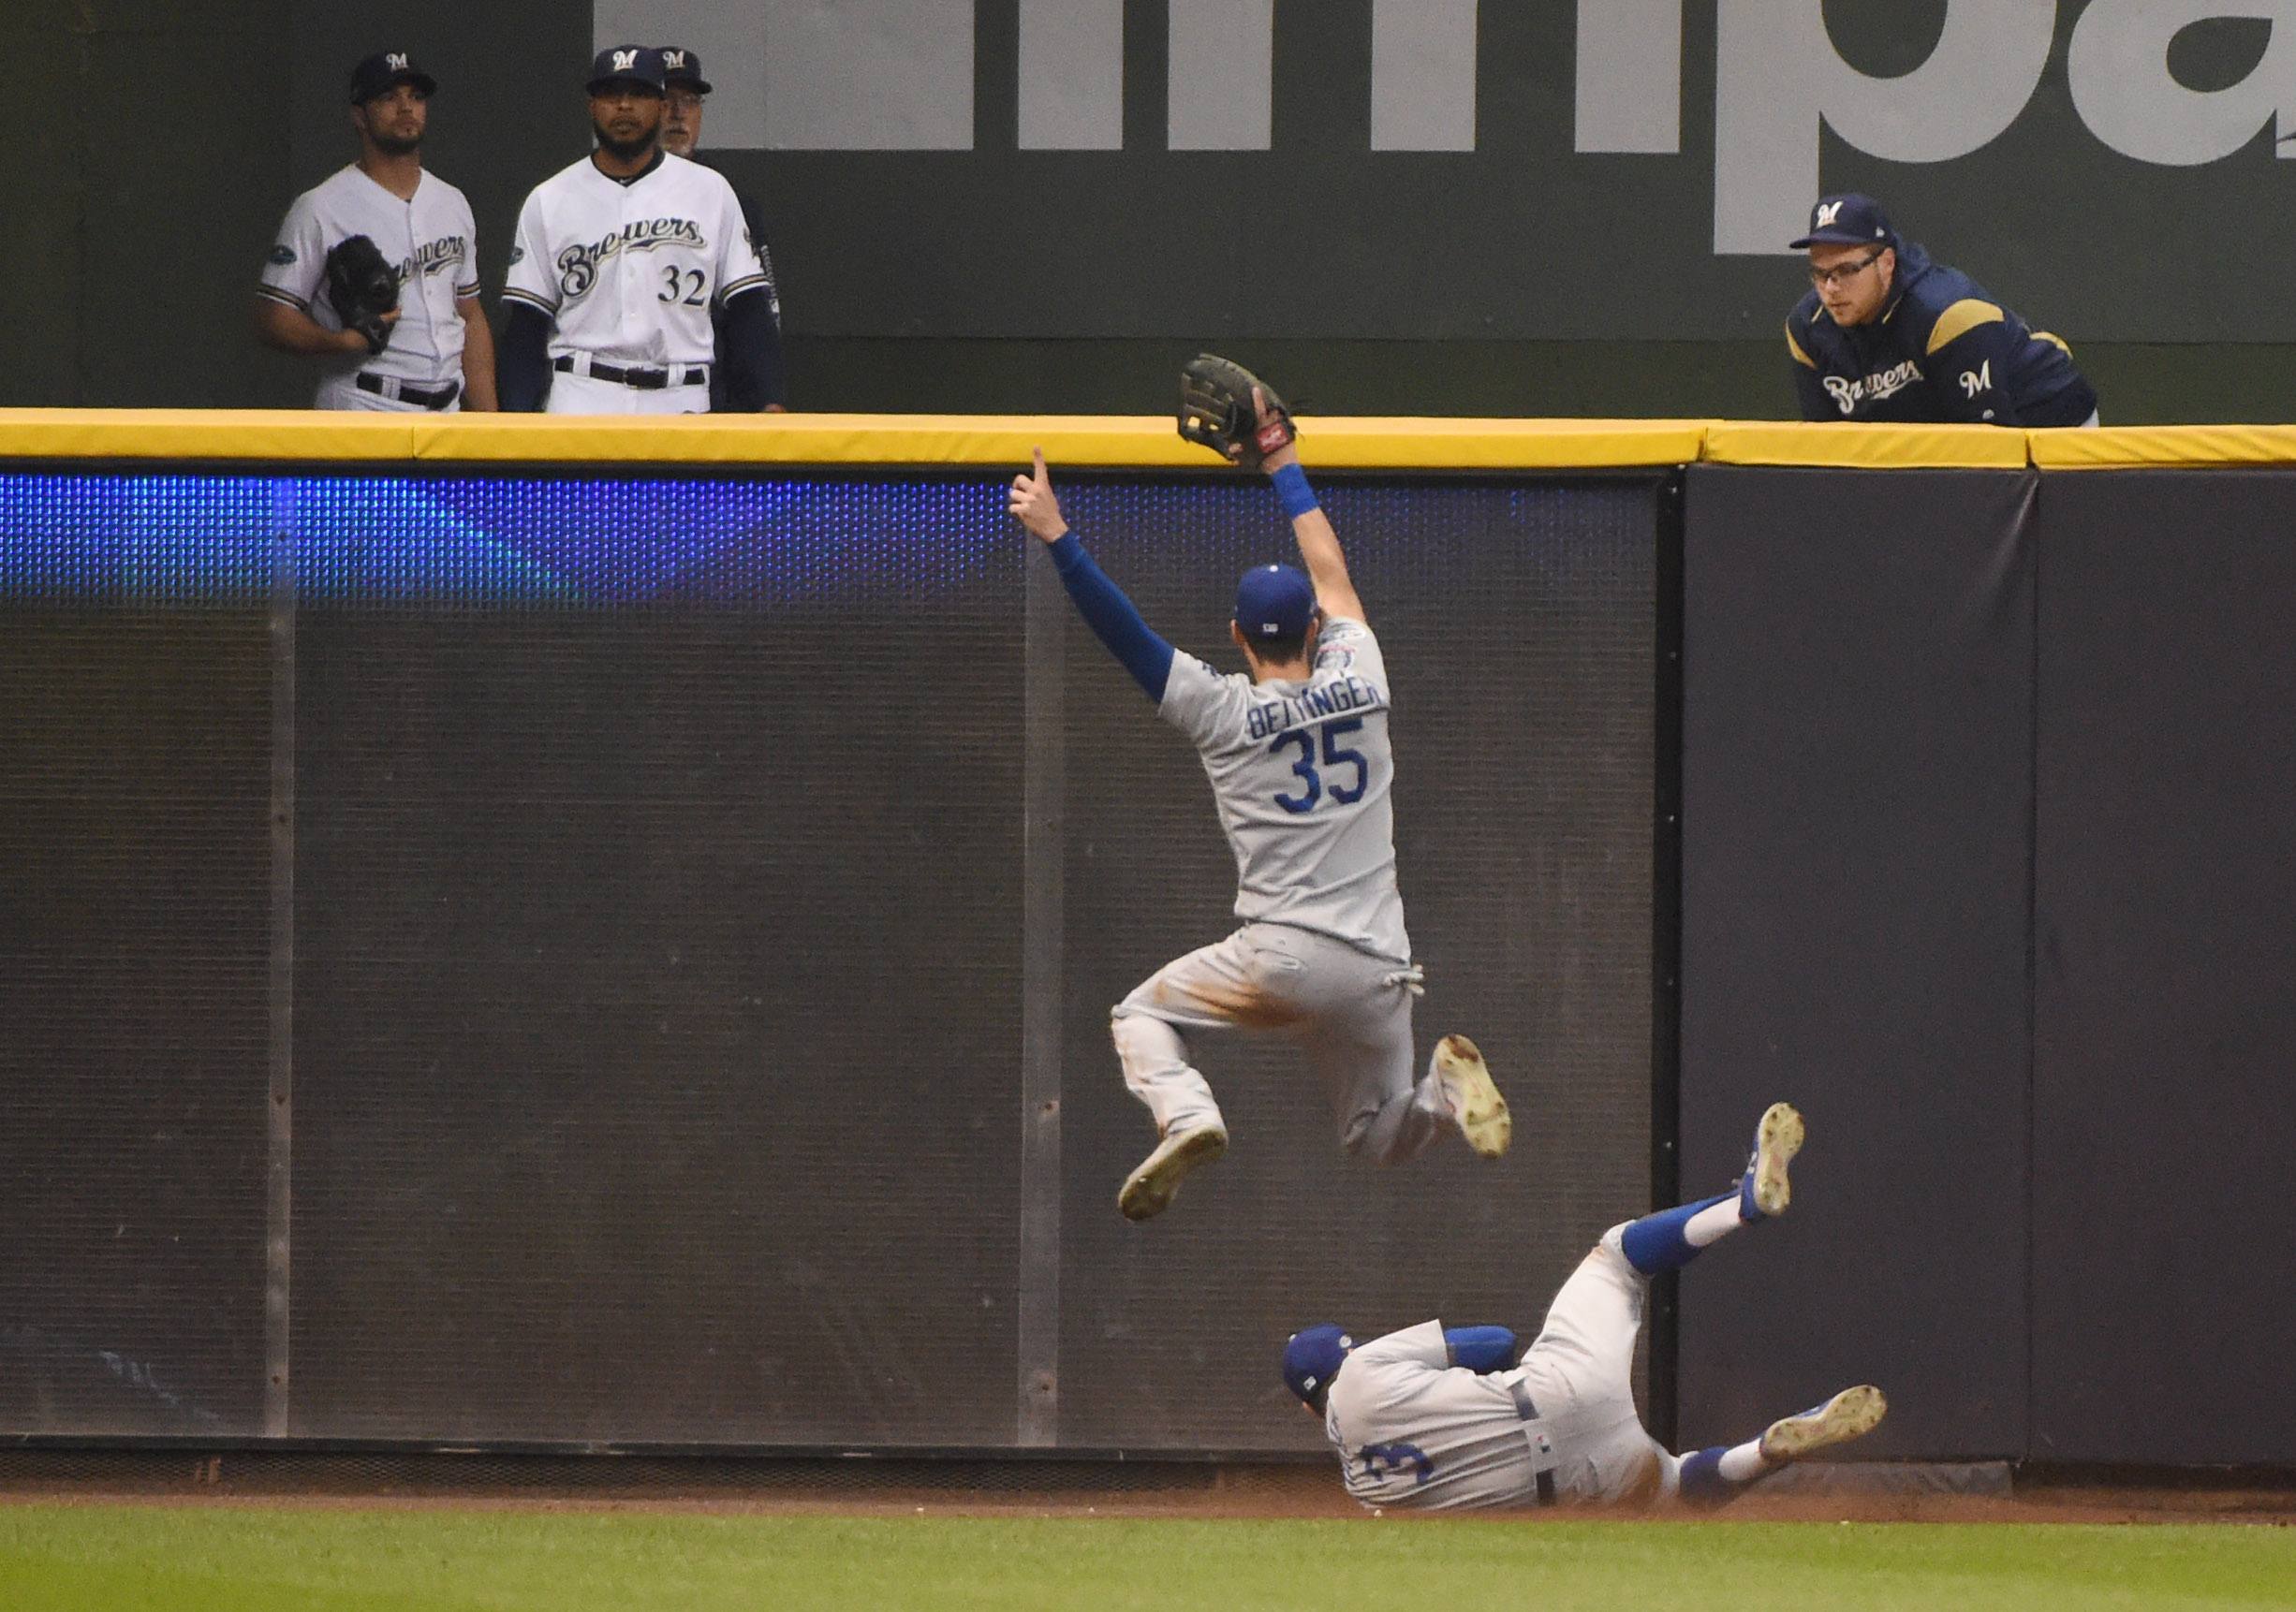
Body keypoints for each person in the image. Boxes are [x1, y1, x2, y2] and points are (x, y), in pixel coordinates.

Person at [1005, 378, 1511, 1223]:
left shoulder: (1224, 711)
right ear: (1315, 629)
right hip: (1380, 970)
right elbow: (1333, 573)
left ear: (1236, 637)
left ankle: (1190, 1114)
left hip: (1282, 956)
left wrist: (1059, 537)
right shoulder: (1363, 678)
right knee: (1377, 1134)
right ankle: (1443, 1098)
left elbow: (1123, 633)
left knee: (1139, 1016)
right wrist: (1281, 460)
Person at [1284, 1102, 1888, 1511]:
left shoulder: (1365, 1493)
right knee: (1618, 1256)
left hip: (1575, 1483)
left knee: (1674, 1486)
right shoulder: (1365, 1370)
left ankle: (1764, 1451)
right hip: (1557, 1391)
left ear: (1312, 1414)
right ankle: (1741, 1207)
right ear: (1349, 1350)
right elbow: (1496, 1341)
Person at [497, 47, 777, 415]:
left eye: (639, 94)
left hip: (681, 394)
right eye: (612, 95)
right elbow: (527, 326)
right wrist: (517, 420)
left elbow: (748, 309)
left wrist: (769, 400)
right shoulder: (549, 199)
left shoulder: (712, 191)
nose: (625, 106)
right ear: (592, 106)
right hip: (583, 393)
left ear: (661, 107)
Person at [256, 51, 496, 412]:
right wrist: (340, 342)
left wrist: (490, 423)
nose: (406, 107)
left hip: (448, 412)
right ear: (359, 117)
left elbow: (470, 315)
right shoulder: (321, 207)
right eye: (388, 97)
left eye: (415, 97)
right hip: (365, 401)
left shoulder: (452, 202)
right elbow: (273, 316)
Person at [1786, 193, 2097, 427]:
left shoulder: (1951, 315)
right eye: (1820, 273)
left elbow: (1990, 452)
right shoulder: (1807, 329)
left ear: (1887, 263)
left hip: (2052, 423)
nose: (1831, 288)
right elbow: (1826, 448)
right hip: (1936, 433)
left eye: (1847, 270)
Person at [657, 48, 787, 413]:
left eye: (690, 101)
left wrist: (768, 397)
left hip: (709, 397)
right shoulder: (600, 192)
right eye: (666, 100)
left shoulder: (727, 198)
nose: (678, 113)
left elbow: (759, 313)